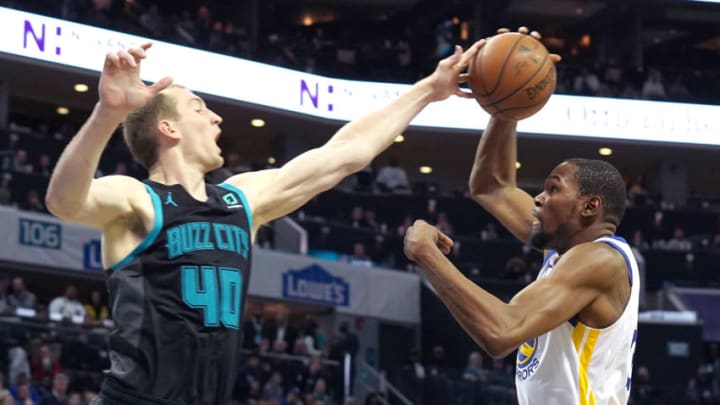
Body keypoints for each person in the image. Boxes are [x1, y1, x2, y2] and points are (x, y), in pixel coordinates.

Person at [45, 39, 484, 405]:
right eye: (199, 108)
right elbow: (65, 202)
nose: (216, 117)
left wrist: (429, 89)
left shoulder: (241, 199)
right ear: (169, 129)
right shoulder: (137, 197)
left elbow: (345, 154)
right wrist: (107, 113)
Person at [403, 27, 639, 405]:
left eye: (553, 188)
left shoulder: (599, 260)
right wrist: (505, 109)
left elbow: (501, 331)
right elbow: (491, 186)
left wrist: (426, 255)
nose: (539, 199)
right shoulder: (564, 248)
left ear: (590, 207)